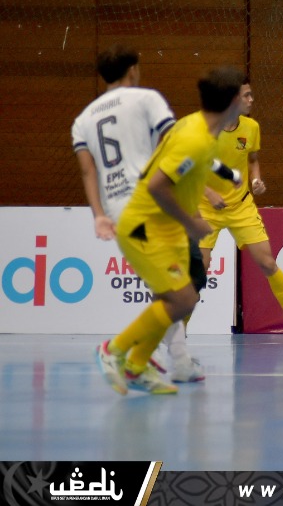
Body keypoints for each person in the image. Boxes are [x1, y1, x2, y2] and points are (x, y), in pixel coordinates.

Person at [94, 66, 245, 395]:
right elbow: (158, 186)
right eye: (245, 96)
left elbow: (194, 164)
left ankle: (136, 367)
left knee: (178, 301)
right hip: (145, 227)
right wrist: (193, 222)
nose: (249, 100)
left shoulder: (195, 125)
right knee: (181, 299)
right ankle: (114, 350)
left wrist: (227, 174)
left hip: (169, 228)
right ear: (234, 101)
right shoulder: (195, 139)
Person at [72, 44, 205, 384]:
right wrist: (203, 189)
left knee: (169, 290)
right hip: (150, 205)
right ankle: (124, 352)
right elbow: (176, 146)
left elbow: (89, 173)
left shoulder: (83, 119)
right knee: (183, 291)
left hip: (118, 210)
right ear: (133, 69)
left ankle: (173, 360)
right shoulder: (147, 99)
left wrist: (98, 214)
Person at [198, 80, 283, 347]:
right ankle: (178, 335)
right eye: (247, 95)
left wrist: (256, 180)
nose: (252, 100)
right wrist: (208, 194)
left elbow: (252, 160)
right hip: (206, 209)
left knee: (267, 263)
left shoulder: (251, 127)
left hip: (241, 206)